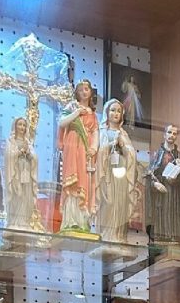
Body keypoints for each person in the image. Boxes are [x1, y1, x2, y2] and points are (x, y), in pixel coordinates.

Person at [58, 79, 99, 233]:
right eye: (81, 89)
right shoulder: (72, 107)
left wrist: (94, 148)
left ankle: (82, 221)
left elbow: (95, 132)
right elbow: (62, 123)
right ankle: (70, 220)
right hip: (72, 144)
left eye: (86, 89)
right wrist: (76, 113)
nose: (84, 92)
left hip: (85, 148)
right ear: (77, 92)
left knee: (85, 180)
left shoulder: (93, 114)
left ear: (91, 92)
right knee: (72, 179)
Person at [95, 98, 137, 242]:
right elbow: (98, 152)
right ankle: (106, 234)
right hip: (107, 172)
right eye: (113, 110)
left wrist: (123, 145)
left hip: (121, 173)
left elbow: (132, 155)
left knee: (120, 203)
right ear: (107, 112)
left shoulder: (123, 134)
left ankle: (119, 235)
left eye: (119, 111)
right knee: (109, 202)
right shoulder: (102, 132)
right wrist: (111, 144)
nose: (116, 114)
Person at [145, 124, 180, 243]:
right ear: (164, 135)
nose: (172, 135)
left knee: (172, 216)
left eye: (174, 133)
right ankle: (160, 236)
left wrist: (176, 179)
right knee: (160, 215)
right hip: (160, 195)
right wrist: (155, 184)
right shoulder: (157, 154)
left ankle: (173, 236)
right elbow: (149, 175)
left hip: (174, 195)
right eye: (169, 132)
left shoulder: (179, 156)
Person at [4, 117, 38, 230]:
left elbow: (35, 158)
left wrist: (29, 154)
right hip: (16, 174)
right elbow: (8, 157)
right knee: (16, 195)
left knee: (26, 196)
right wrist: (18, 153)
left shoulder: (28, 143)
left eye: (24, 125)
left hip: (26, 174)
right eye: (20, 124)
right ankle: (14, 221)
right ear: (15, 126)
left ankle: (24, 221)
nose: (22, 127)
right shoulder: (11, 142)